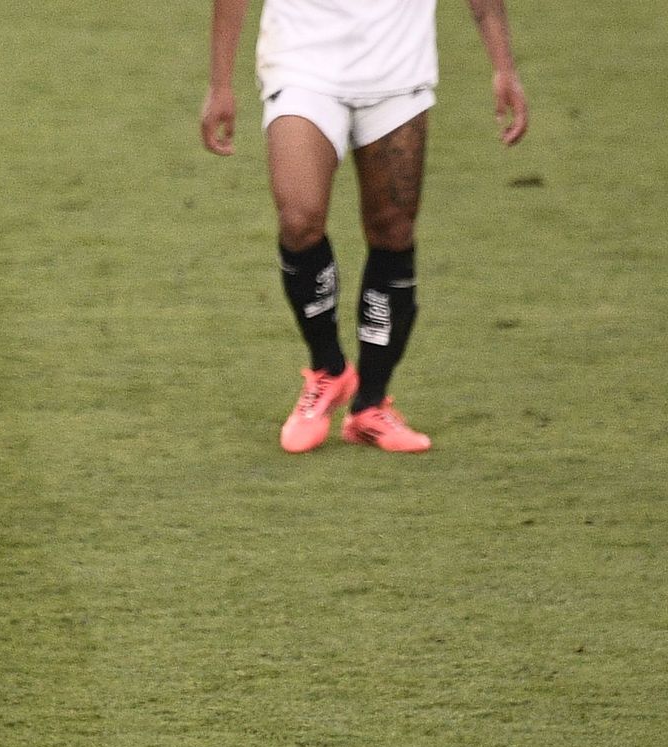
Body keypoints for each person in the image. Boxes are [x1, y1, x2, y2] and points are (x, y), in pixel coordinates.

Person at [201, 0, 529, 453]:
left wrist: (504, 67)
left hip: (398, 69)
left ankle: (370, 404)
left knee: (392, 228)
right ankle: (329, 370)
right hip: (301, 64)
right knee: (299, 217)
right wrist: (220, 84)